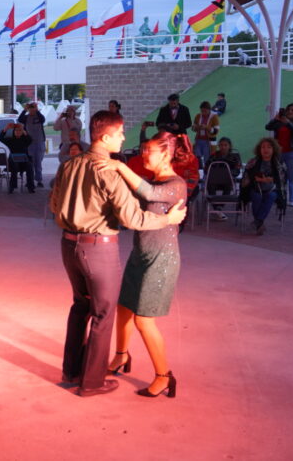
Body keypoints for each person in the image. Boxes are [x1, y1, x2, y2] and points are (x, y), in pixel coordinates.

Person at [49, 110, 187, 397]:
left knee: (80, 307)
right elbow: (133, 219)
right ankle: (92, 382)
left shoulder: (70, 164)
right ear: (107, 136)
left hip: (67, 246)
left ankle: (72, 371)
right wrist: (167, 220)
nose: (125, 138)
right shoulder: (109, 170)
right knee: (103, 314)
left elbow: (54, 204)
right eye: (121, 133)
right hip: (98, 249)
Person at [95, 133, 187, 399]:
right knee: (123, 309)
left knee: (144, 321)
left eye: (148, 151)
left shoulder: (176, 184)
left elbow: (149, 193)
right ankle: (121, 356)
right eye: (143, 150)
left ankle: (164, 376)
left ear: (165, 154)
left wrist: (120, 166)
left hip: (162, 260)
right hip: (140, 255)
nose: (143, 155)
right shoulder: (153, 180)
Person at [241, 137, 287, 235]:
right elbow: (245, 178)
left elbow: (283, 179)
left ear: (274, 149)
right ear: (259, 149)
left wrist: (271, 179)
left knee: (271, 196)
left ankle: (258, 221)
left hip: (272, 189)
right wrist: (255, 179)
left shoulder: (279, 163)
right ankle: (259, 223)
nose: (265, 150)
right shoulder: (253, 162)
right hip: (256, 188)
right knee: (257, 196)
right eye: (263, 147)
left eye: (269, 147)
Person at [265, 103, 293, 207]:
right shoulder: (279, 122)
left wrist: (288, 123)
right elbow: (268, 127)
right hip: (280, 152)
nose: (290, 112)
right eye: (289, 110)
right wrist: (275, 119)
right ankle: (280, 197)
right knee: (280, 176)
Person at [0, 122, 34, 193]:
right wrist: (6, 128)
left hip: (23, 162)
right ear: (13, 132)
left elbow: (30, 139)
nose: (18, 132)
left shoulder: (25, 140)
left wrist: (23, 129)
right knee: (14, 164)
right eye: (16, 130)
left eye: (19, 130)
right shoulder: (10, 140)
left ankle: (30, 187)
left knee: (30, 166)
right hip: (13, 161)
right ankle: (12, 186)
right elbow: (0, 138)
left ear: (22, 132)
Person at [18, 101, 47, 187]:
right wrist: (25, 109)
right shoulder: (26, 118)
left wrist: (37, 110)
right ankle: (29, 180)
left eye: (32, 108)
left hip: (39, 142)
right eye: (30, 108)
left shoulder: (39, 116)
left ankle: (39, 180)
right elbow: (20, 119)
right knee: (29, 163)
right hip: (29, 144)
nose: (32, 110)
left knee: (38, 163)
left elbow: (43, 119)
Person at [191, 101, 220, 167]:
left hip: (209, 141)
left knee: (207, 159)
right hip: (199, 140)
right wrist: (196, 127)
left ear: (209, 110)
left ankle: (207, 173)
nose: (203, 113)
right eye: (202, 111)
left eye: (205, 111)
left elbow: (216, 131)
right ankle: (200, 171)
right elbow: (193, 128)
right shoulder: (198, 116)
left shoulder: (214, 117)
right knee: (197, 157)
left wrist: (207, 127)